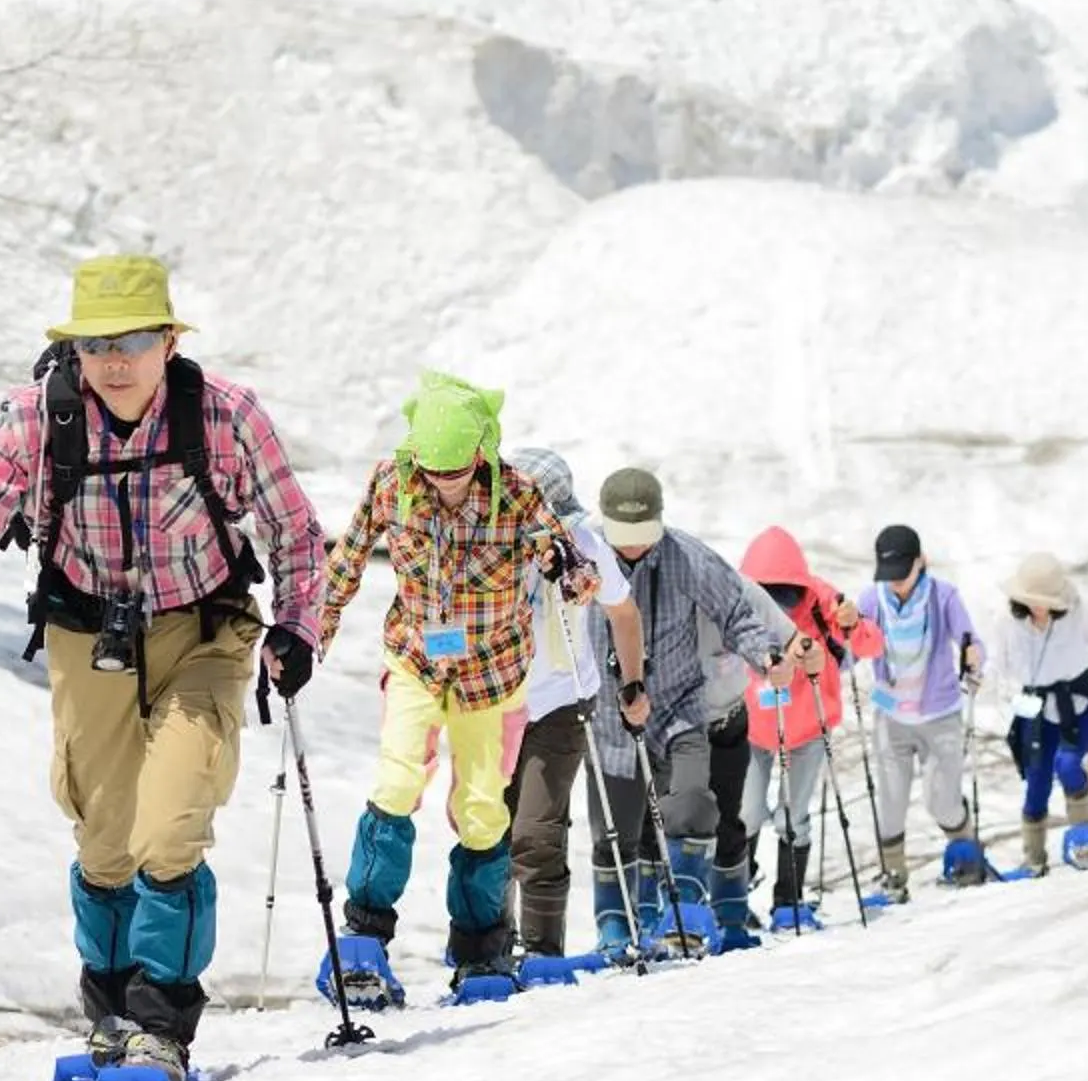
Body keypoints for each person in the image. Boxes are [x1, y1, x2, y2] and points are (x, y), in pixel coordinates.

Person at [0, 255, 327, 1081]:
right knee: (103, 839)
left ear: (168, 340)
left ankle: (161, 1019)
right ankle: (113, 1011)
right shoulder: (33, 421)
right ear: (73, 352)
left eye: (131, 341)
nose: (114, 362)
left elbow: (297, 536)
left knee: (170, 825)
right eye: (94, 345)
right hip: (86, 633)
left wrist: (298, 628)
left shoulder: (225, 417)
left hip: (205, 630)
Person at [316, 376, 599, 993]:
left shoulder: (518, 495)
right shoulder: (392, 484)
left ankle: (480, 948)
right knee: (396, 781)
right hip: (417, 659)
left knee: (480, 810)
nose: (441, 485)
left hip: (492, 673)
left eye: (455, 472)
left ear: (480, 456)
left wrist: (563, 567)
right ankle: (364, 935)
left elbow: (581, 580)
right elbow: (348, 559)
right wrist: (312, 631)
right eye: (430, 471)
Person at [583, 466, 793, 958]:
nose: (633, 547)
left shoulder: (687, 556)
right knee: (614, 829)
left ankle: (688, 907)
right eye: (623, 537)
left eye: (643, 536)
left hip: (679, 708)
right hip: (612, 719)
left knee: (695, 801)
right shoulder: (582, 559)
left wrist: (765, 655)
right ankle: (617, 925)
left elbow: (737, 612)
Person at [502, 448, 645, 962]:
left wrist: (633, 683)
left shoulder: (585, 545)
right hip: (495, 703)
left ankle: (541, 951)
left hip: (562, 701)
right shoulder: (490, 542)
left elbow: (623, 614)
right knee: (489, 829)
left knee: (535, 830)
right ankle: (489, 950)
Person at [739, 527, 878, 928]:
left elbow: (870, 646)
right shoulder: (738, 597)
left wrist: (852, 625)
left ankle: (789, 900)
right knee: (745, 813)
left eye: (786, 593)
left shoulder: (822, 600)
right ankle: (733, 898)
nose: (779, 604)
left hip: (807, 725)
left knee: (792, 815)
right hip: (751, 726)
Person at [853, 524, 985, 899]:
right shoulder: (870, 600)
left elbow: (970, 640)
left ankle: (966, 856)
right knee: (890, 801)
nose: (896, 584)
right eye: (888, 576)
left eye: (902, 575)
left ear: (921, 562)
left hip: (940, 713)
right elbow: (851, 649)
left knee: (942, 800)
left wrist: (974, 658)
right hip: (891, 715)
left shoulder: (943, 596)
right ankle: (893, 877)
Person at [990, 551, 1088, 874]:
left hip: (1077, 703)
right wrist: (976, 678)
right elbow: (997, 664)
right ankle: (1033, 859)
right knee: (1036, 782)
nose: (1039, 606)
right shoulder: (1006, 622)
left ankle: (1084, 839)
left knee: (1067, 762)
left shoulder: (1081, 611)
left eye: (1045, 599)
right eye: (1032, 599)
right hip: (1035, 708)